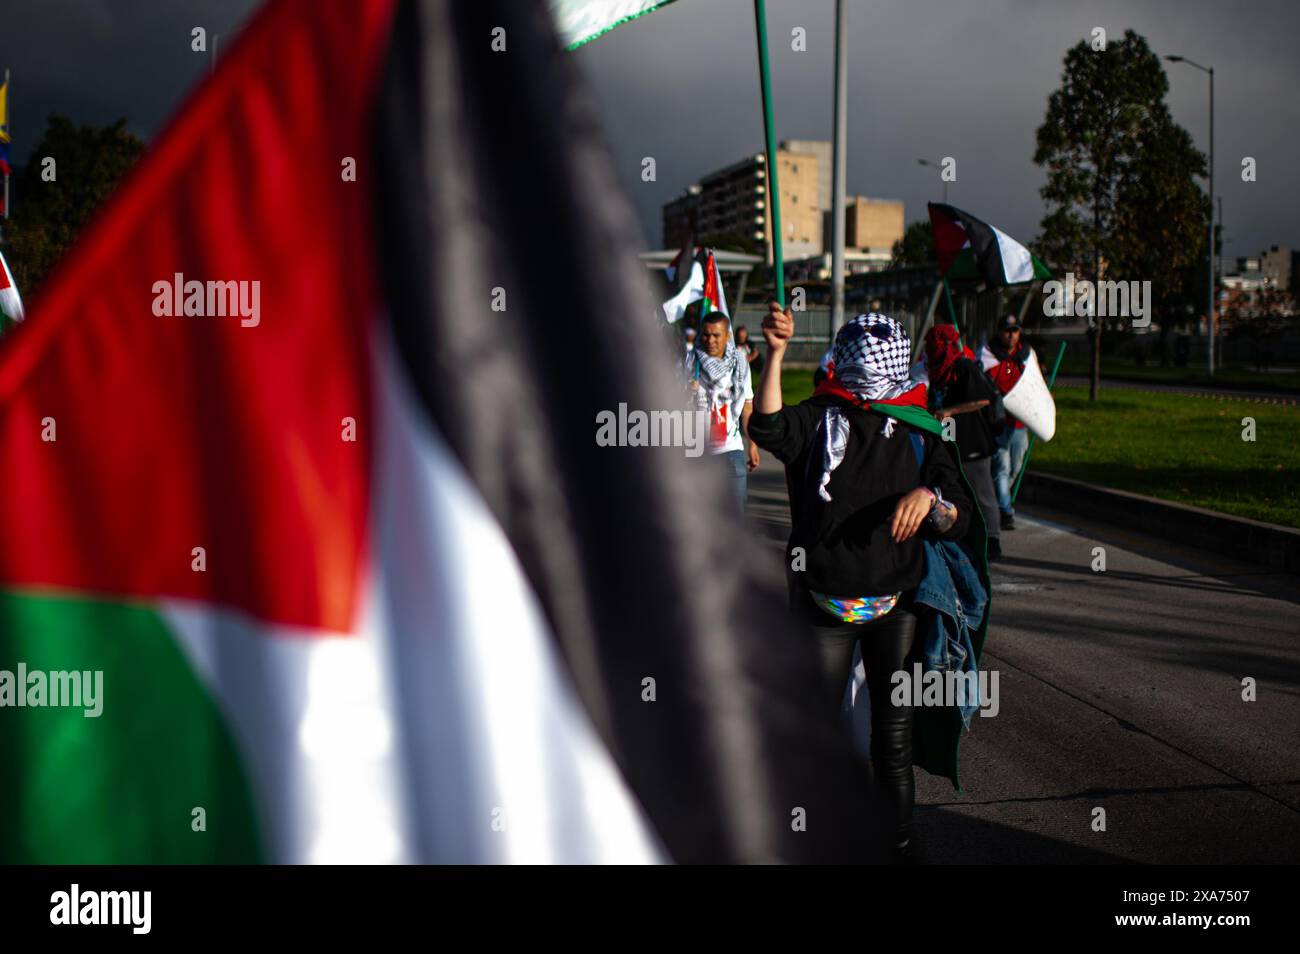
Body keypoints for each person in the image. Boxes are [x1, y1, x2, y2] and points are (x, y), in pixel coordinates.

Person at [749, 302, 975, 858]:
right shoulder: (819, 417)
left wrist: (932, 498)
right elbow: (768, 427)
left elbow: (959, 514)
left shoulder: (922, 428)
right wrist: (774, 355)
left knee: (891, 738)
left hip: (894, 608)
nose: (868, 367)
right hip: (822, 604)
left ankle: (893, 842)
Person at [924, 324, 1002, 560]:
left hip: (973, 441)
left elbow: (983, 400)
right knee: (957, 491)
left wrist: (950, 411)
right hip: (951, 442)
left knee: (983, 493)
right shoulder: (937, 371)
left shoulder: (964, 367)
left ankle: (993, 538)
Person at [686, 311, 758, 513]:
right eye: (706, 335)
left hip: (731, 451)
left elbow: (747, 407)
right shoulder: (690, 362)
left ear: (727, 336)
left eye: (716, 335)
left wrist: (752, 444)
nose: (710, 340)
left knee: (735, 516)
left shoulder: (740, 366)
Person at [986, 314, 1032, 530]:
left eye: (1015, 330)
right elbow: (998, 385)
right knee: (1001, 469)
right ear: (999, 332)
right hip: (999, 422)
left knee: (1015, 468)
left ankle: (999, 500)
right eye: (1007, 330)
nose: (1011, 335)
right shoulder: (989, 355)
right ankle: (1006, 510)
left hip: (1020, 424)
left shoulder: (1026, 356)